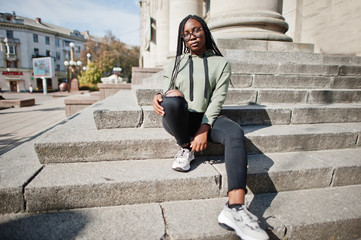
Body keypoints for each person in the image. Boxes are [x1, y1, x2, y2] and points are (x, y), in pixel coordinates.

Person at [152, 15, 268, 240]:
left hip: (207, 117)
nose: (192, 36)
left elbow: (217, 100)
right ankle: (185, 147)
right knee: (173, 98)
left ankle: (235, 209)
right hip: (179, 118)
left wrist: (205, 127)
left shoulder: (221, 63)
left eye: (196, 30)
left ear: (204, 31)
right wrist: (157, 96)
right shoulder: (175, 63)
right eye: (186, 34)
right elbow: (167, 90)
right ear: (183, 39)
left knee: (235, 132)